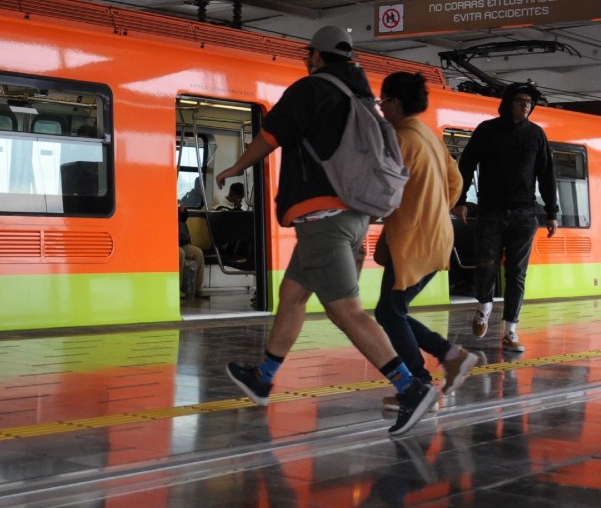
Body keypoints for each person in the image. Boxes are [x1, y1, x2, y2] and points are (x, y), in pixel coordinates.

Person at [216, 26, 437, 436]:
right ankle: (263, 376)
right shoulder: (361, 98)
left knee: (345, 310)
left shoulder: (311, 90)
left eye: (308, 55)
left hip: (324, 222)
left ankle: (411, 388)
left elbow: (270, 134)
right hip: (353, 217)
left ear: (315, 56)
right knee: (293, 294)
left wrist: (235, 168)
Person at [374, 72, 483, 410]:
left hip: (412, 240)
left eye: (382, 102)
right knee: (392, 311)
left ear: (393, 102)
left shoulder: (401, 139)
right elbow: (456, 182)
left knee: (390, 313)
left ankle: (421, 383)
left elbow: (384, 193)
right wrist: (433, 208)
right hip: (436, 235)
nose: (381, 109)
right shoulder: (428, 136)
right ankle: (451, 357)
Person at [452, 82, 558, 353]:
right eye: (521, 100)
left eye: (529, 102)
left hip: (524, 213)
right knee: (486, 263)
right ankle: (484, 307)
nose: (526, 105)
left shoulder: (536, 135)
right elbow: (466, 165)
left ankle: (511, 331)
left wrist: (552, 212)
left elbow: (546, 174)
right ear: (508, 102)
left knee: (517, 273)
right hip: (490, 211)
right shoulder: (487, 130)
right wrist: (461, 200)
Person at [179, 208, 206, 299]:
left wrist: (182, 210)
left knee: (198, 253)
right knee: (180, 253)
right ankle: (178, 288)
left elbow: (184, 216)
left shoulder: (179, 212)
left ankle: (196, 288)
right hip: (169, 244)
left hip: (182, 243)